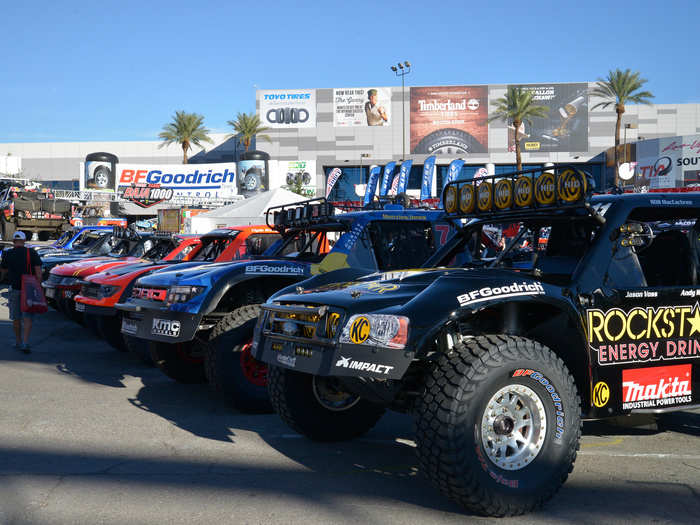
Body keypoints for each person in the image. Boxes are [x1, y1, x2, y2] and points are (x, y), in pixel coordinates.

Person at [1, 231, 43, 353]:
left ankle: (18, 341)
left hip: (14, 288)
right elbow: (39, 273)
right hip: (29, 289)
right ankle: (25, 342)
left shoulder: (8, 254)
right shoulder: (32, 253)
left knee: (16, 317)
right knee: (28, 317)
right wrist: (38, 287)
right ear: (24, 241)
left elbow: (3, 271)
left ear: (13, 241)